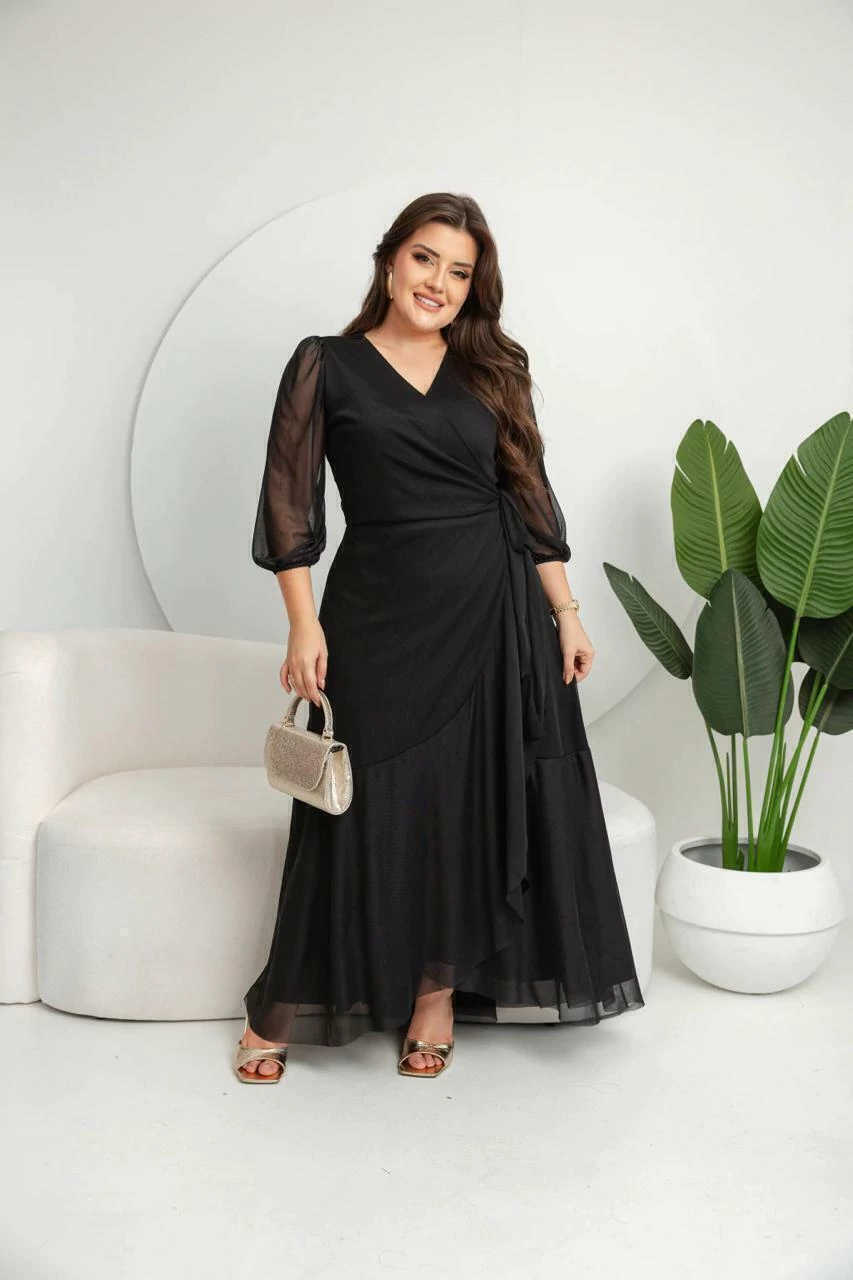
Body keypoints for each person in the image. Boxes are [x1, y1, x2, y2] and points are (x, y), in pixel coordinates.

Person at [234, 191, 645, 1083]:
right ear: (390, 261)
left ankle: (434, 998)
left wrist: (565, 611)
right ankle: (282, 1005)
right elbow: (289, 504)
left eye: (460, 272)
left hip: (496, 611)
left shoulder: (492, 368)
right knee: (353, 804)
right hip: (377, 610)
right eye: (425, 259)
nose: (439, 283)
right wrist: (302, 623)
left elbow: (527, 494)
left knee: (468, 800)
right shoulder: (326, 364)